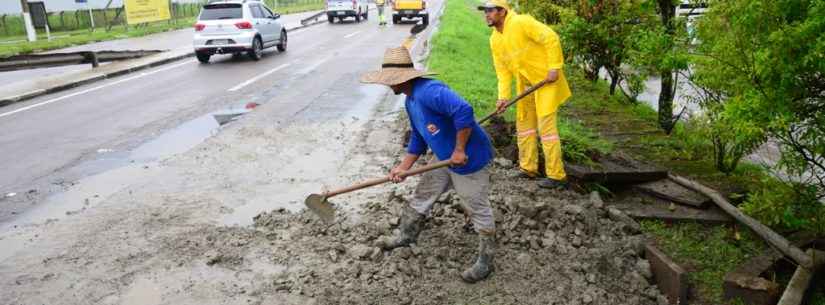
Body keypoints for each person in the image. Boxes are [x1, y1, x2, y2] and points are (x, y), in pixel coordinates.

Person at [360, 47, 497, 283]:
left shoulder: (429, 91)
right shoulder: (411, 101)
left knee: (476, 207)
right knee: (424, 192)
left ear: (401, 78)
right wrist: (404, 167)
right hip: (443, 158)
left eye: (389, 80)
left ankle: (486, 262)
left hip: (468, 160)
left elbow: (464, 110)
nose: (387, 85)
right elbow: (418, 137)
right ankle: (406, 234)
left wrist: (459, 149)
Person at [480, 0, 572, 189]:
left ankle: (557, 176)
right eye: (485, 11)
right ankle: (528, 168)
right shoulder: (494, 40)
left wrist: (554, 67)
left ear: (502, 11)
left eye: (490, 11)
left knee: (546, 128)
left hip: (546, 80)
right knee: (525, 126)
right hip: (526, 84)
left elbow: (551, 38)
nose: (486, 15)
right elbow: (503, 72)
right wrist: (503, 98)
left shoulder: (521, 22)